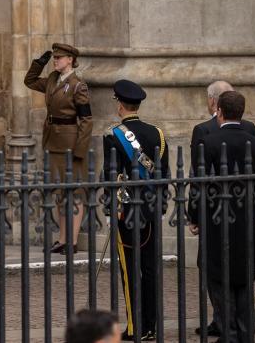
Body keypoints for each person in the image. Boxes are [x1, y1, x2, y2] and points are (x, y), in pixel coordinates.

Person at [189, 91, 255, 343]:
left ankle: (230, 333)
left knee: (218, 278)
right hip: (245, 222)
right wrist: (253, 215)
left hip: (215, 221)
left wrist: (195, 217)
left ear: (219, 110)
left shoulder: (209, 142)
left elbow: (197, 185)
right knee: (244, 278)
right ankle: (245, 333)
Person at [102, 79, 169, 341]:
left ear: (120, 104)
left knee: (131, 270)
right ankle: (151, 324)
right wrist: (160, 205)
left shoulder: (113, 135)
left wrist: (111, 209)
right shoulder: (158, 134)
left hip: (127, 211)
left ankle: (135, 326)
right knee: (151, 268)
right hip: (152, 209)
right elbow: (164, 174)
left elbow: (111, 176)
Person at [25, 43, 93, 253]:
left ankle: (72, 241)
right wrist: (40, 62)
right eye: (54, 57)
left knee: (75, 192)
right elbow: (29, 81)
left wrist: (80, 150)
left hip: (70, 142)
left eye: (59, 58)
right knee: (59, 193)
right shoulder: (53, 80)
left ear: (70, 59)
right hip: (52, 140)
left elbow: (87, 119)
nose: (56, 60)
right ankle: (62, 239)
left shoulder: (77, 85)